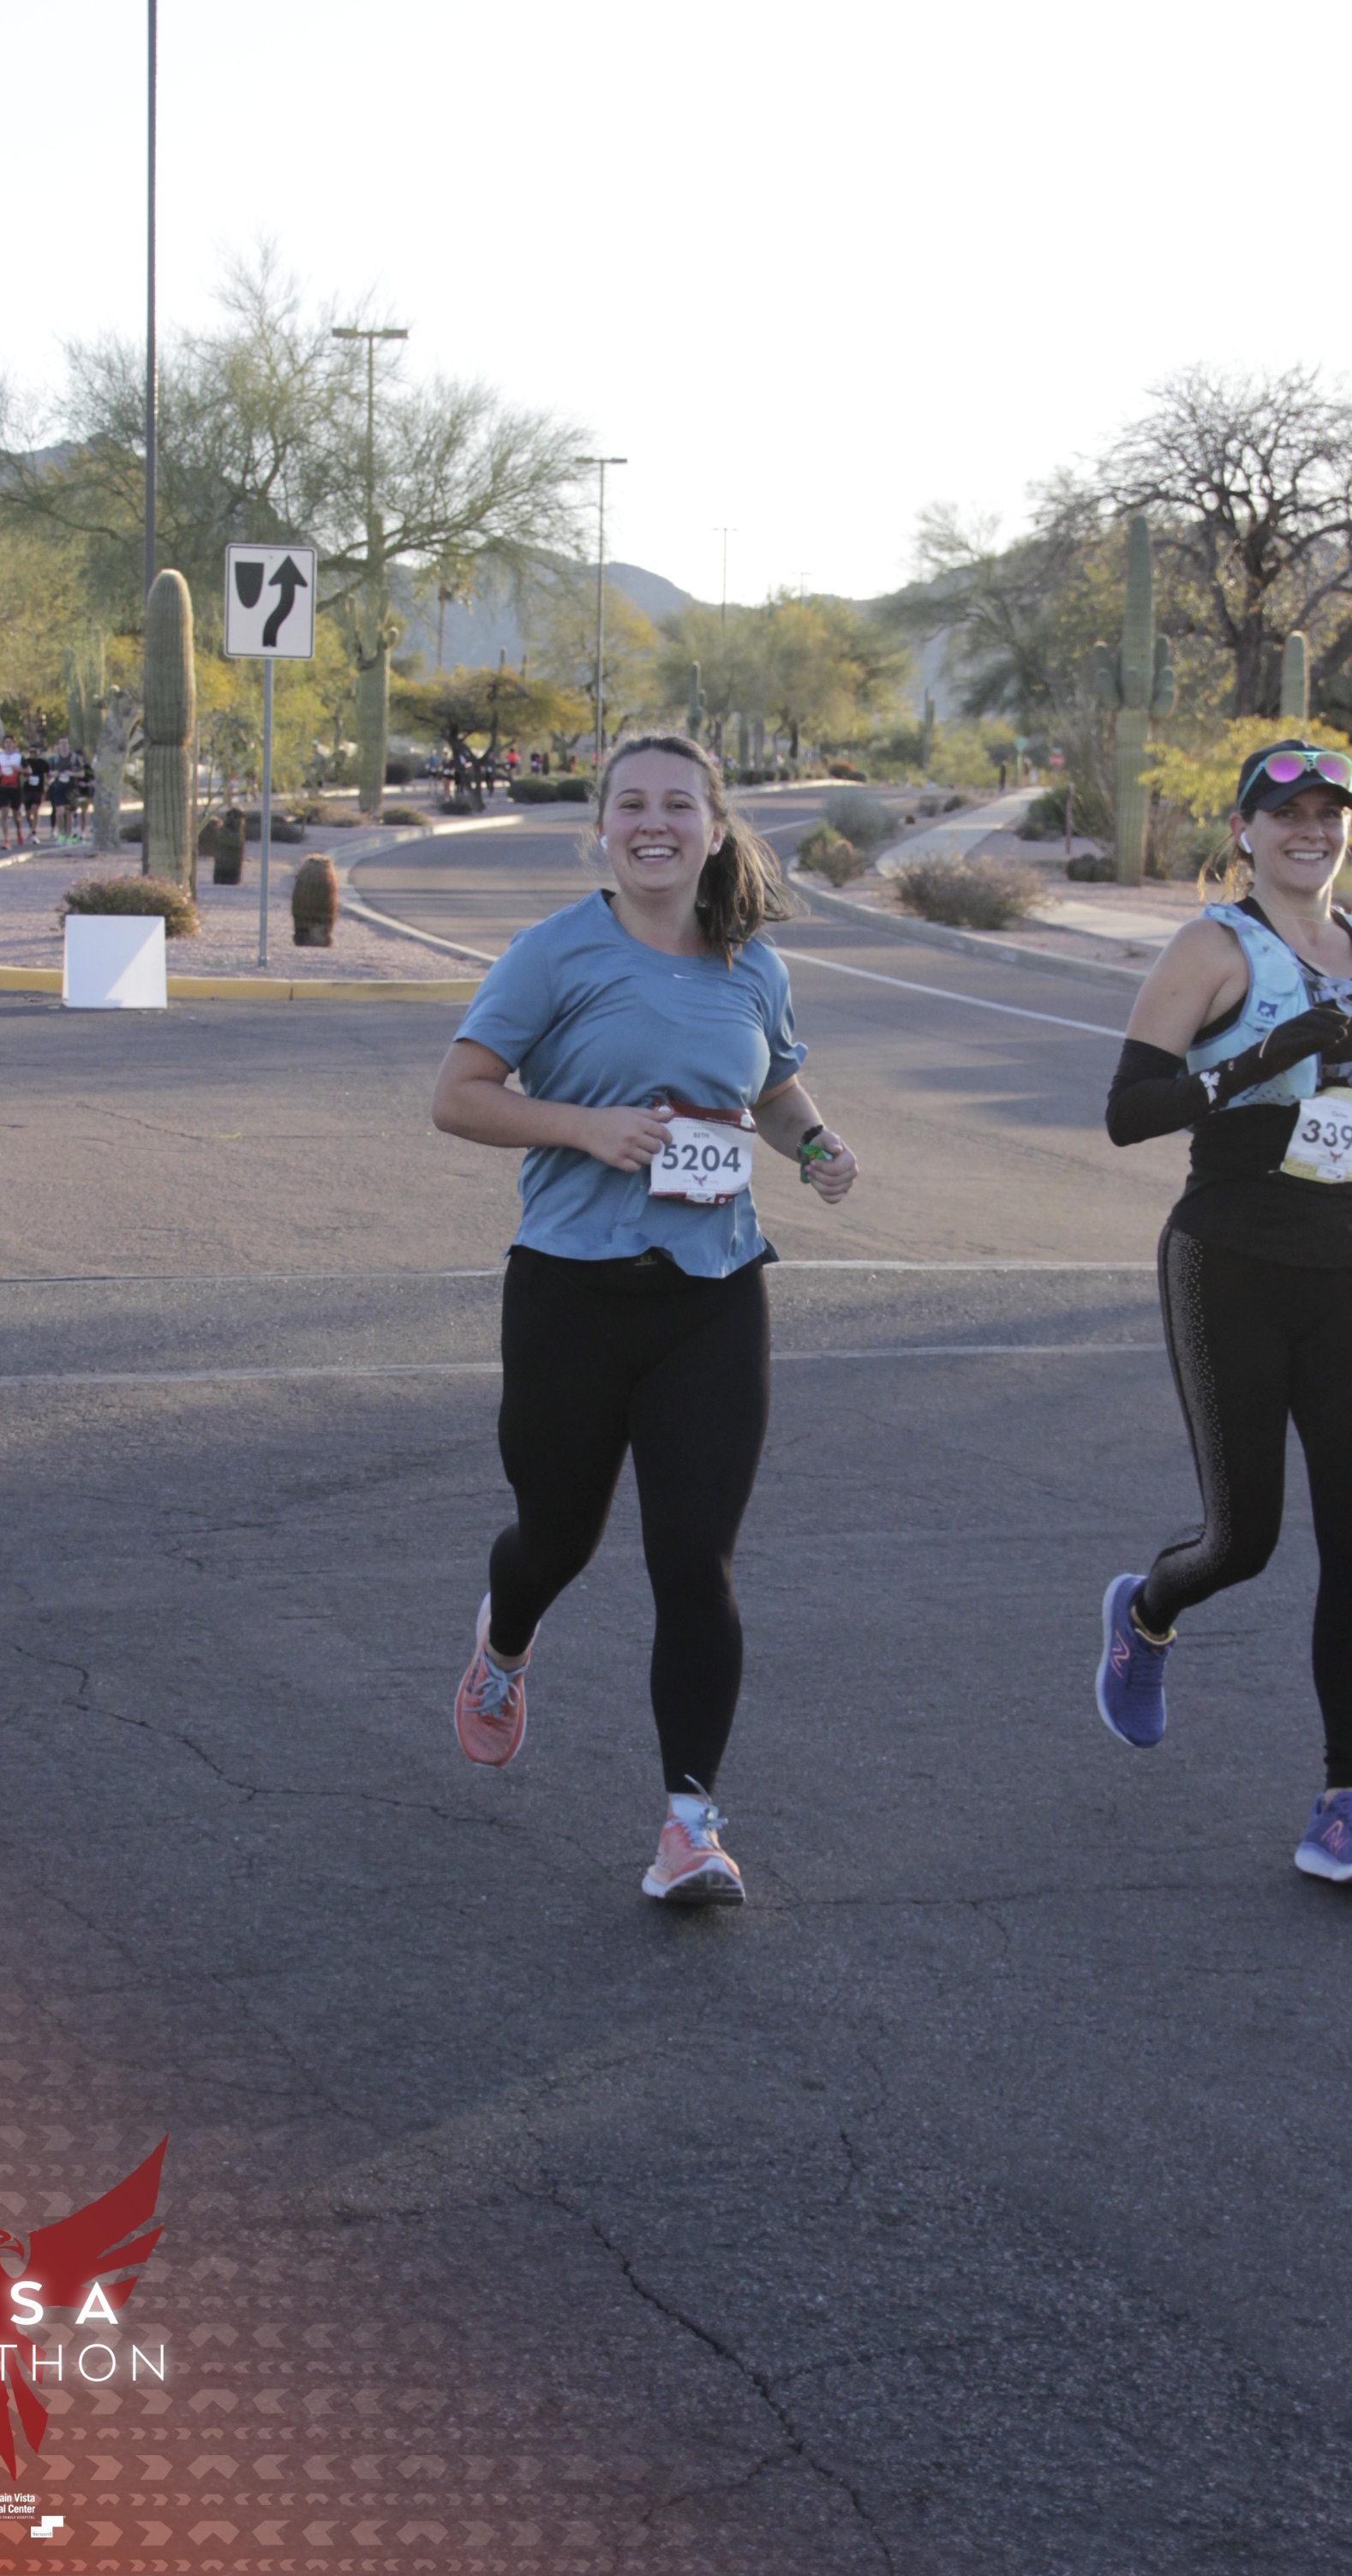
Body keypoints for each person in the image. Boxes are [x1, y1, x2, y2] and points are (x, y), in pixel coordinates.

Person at [431, 728, 859, 1905]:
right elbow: (458, 1096)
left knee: (695, 1562)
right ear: (603, 829)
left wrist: (815, 1144)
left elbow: (773, 1086)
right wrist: (585, 1128)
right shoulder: (554, 953)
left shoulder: (752, 967)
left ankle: (689, 1829)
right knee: (557, 1539)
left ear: (714, 831)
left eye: (679, 805)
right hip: (570, 1294)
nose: (655, 823)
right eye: (633, 804)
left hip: (713, 1295)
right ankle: (506, 1640)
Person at [1094, 740, 1352, 1890]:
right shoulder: (1211, 947)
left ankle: (1343, 1803)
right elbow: (1128, 1111)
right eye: (1286, 814)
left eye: (1330, 813)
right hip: (1229, 1259)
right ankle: (1149, 1610)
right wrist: (1249, 1065)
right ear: (1245, 831)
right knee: (1245, 1541)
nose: (1310, 831)